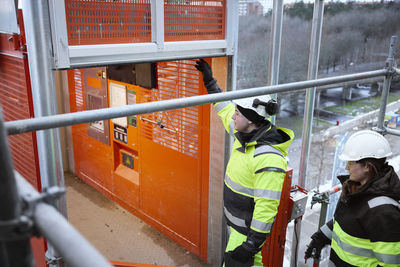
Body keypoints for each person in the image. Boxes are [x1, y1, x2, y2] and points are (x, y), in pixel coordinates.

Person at [195, 59, 294, 266]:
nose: (233, 116)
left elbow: (266, 207)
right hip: (236, 228)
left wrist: (250, 245)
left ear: (250, 119)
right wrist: (210, 82)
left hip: (246, 235)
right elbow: (224, 108)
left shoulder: (268, 158)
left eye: (238, 113)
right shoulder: (244, 134)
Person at [304, 130, 400, 266]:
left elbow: (391, 263)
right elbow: (344, 221)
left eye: (350, 162)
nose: (346, 167)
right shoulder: (355, 189)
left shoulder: (383, 211)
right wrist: (321, 237)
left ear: (367, 167)